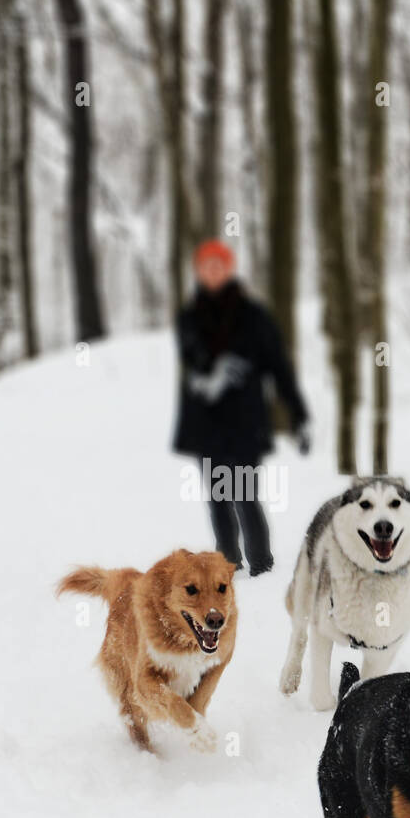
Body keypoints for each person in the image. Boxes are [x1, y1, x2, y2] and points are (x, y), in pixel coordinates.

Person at [173, 239, 310, 575]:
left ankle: (262, 564)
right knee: (219, 497)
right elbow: (192, 360)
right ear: (199, 271)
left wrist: (298, 416)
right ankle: (227, 564)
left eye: (218, 265)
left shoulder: (254, 316)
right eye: (206, 266)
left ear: (229, 268)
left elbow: (279, 368)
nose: (212, 271)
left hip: (245, 423)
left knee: (244, 493)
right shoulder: (190, 317)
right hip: (207, 424)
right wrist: (211, 374)